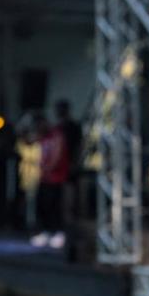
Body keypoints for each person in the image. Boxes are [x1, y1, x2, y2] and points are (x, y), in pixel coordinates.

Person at [29, 112, 68, 249]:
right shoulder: (43, 137)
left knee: (54, 206)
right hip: (45, 177)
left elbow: (57, 155)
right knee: (42, 205)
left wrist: (49, 167)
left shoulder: (57, 135)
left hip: (56, 178)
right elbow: (29, 141)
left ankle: (58, 233)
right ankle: (45, 232)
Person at [54, 99, 82, 236]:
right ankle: (62, 227)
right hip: (57, 168)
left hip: (69, 167)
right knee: (59, 199)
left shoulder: (72, 127)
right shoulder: (57, 128)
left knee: (69, 199)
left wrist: (74, 163)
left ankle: (70, 228)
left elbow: (78, 147)